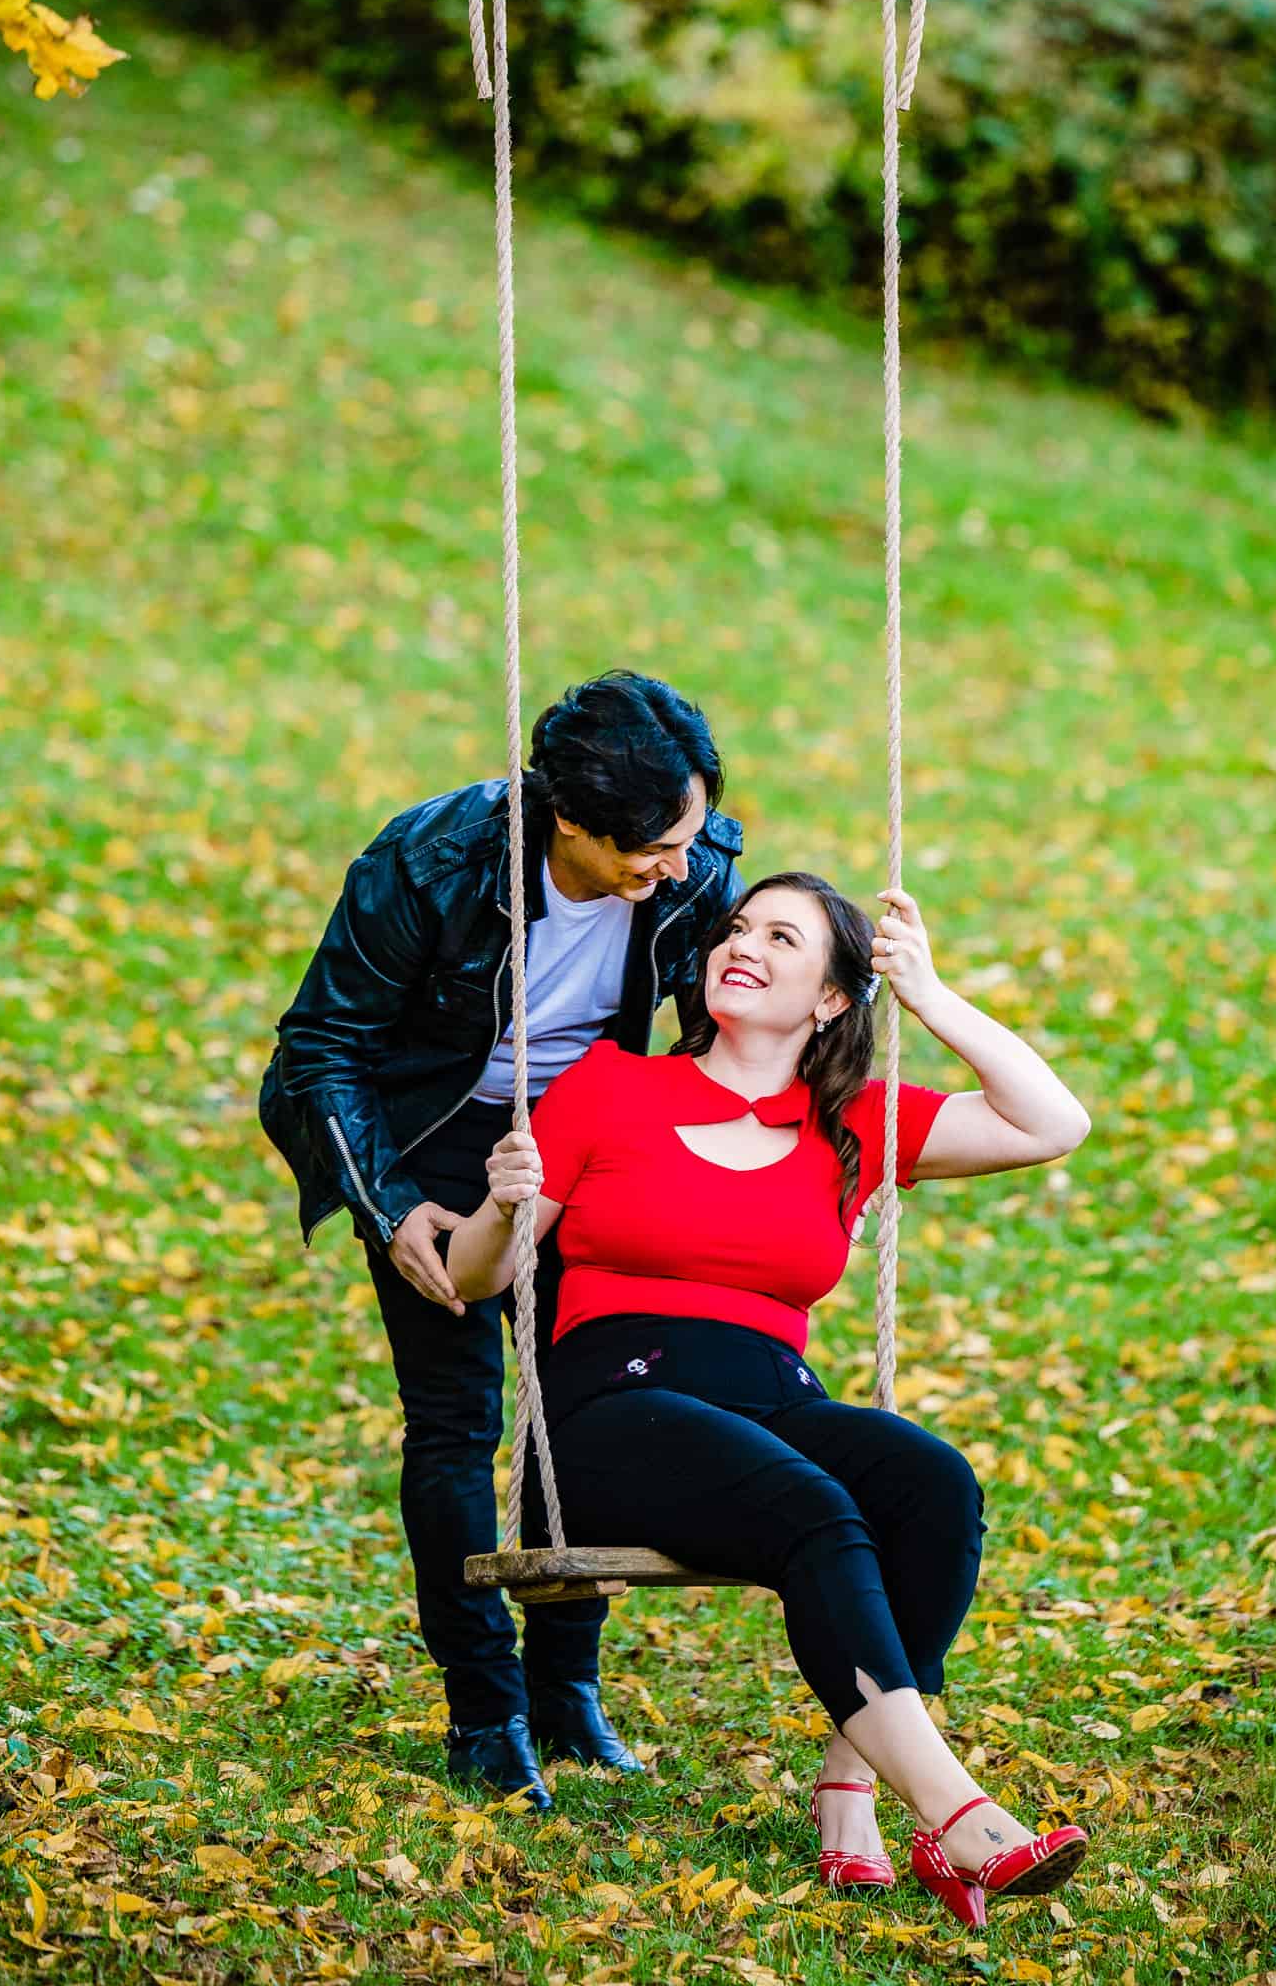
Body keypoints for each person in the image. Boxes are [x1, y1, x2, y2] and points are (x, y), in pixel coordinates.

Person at [448, 873, 1092, 1921]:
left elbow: (1052, 1121)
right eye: (738, 927)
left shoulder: (849, 1122)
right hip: (610, 1411)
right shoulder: (613, 1087)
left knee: (930, 1482)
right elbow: (481, 1273)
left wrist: (927, 993)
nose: (741, 944)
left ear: (833, 995)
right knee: (812, 1506)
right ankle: (963, 1816)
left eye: (781, 937)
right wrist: (500, 1199)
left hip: (775, 1403)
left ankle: (850, 1789)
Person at [259, 671, 744, 1808]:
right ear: (569, 819)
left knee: (580, 1401)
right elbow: (320, 1043)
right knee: (457, 1414)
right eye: (651, 847)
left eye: (689, 833)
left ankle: (566, 1684)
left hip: (584, 1124)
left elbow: (738, 1018)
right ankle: (483, 1705)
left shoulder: (690, 866)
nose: (680, 865)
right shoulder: (428, 860)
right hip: (428, 1128)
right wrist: (391, 1208)